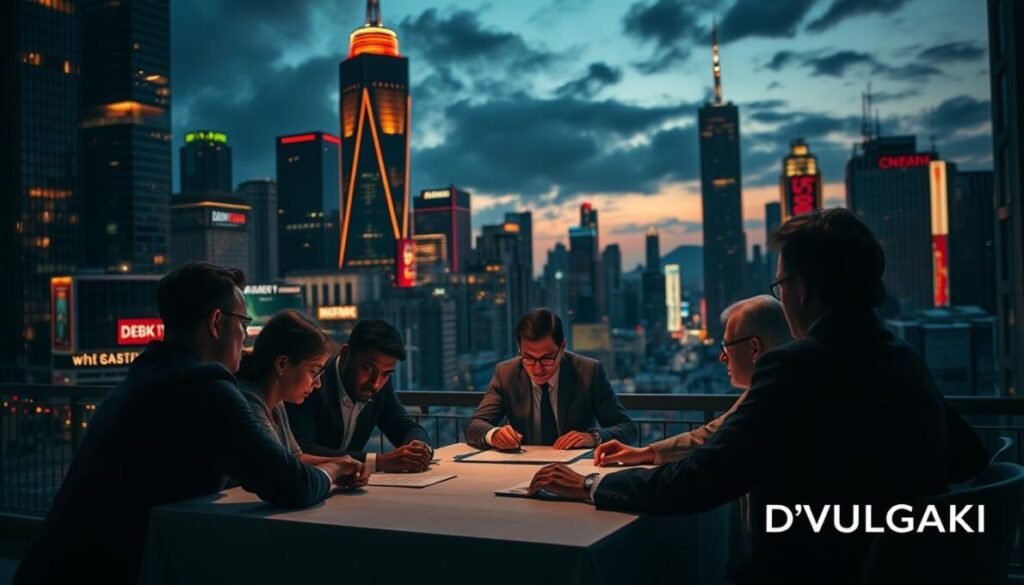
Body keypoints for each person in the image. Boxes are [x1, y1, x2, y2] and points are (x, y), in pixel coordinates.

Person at [527, 209, 989, 584]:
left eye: (780, 285)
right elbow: (969, 457)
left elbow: (702, 481)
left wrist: (592, 485)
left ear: (802, 289)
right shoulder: (904, 357)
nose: (781, 296)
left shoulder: (796, 368)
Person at [14, 262, 366, 585]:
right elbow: (292, 485)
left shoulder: (147, 376)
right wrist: (334, 469)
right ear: (216, 323)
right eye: (243, 323)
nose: (246, 335)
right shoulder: (203, 388)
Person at [593, 295, 791, 467]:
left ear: (754, 348)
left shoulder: (770, 398)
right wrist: (643, 453)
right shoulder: (768, 389)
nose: (722, 358)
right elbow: (709, 435)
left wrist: (593, 485)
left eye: (726, 346)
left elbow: (707, 446)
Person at [465, 308, 637, 450]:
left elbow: (628, 429)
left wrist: (593, 437)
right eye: (529, 358)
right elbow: (475, 425)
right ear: (519, 350)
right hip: (521, 467)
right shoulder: (506, 373)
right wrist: (494, 435)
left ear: (562, 347)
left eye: (547, 358)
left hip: (574, 469)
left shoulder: (588, 372)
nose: (538, 368)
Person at [286, 319, 434, 473]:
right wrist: (377, 462)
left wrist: (419, 448)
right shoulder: (312, 382)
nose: (376, 383)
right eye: (369, 369)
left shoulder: (380, 386)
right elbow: (304, 450)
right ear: (345, 355)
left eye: (386, 374)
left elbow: (406, 427)